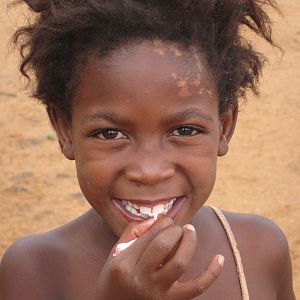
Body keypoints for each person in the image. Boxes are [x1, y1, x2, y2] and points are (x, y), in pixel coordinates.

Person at [0, 0, 296, 299]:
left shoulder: (259, 250)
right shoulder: (35, 270)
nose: (150, 172)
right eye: (110, 133)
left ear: (224, 126)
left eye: (184, 130)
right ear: (65, 130)